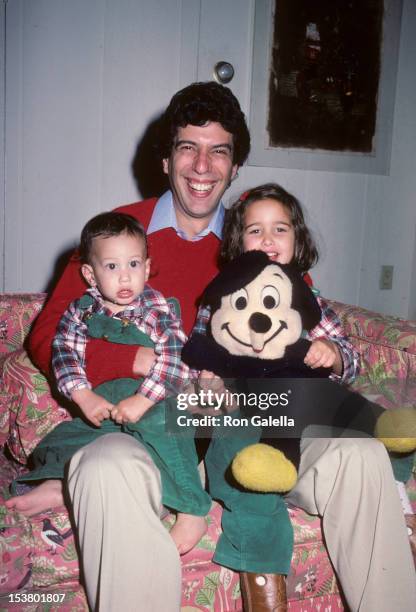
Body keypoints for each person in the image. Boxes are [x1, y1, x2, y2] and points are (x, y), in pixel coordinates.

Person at [5, 83, 415, 611]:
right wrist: (136, 359)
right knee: (104, 466)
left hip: (257, 423)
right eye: (187, 148)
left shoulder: (256, 240)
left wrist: (331, 362)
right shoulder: (118, 238)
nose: (202, 165)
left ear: (235, 166)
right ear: (165, 158)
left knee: (359, 454)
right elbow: (48, 335)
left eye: (218, 150)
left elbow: (309, 330)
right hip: (153, 419)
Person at [192, 182, 416, 610]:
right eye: (255, 231)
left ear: (297, 240)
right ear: (238, 243)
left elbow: (350, 359)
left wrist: (332, 355)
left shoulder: (308, 298)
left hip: (311, 422)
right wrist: (209, 383)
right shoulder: (218, 299)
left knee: (365, 453)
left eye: (280, 229)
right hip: (251, 427)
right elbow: (197, 361)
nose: (269, 239)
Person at [13, 211, 212, 555]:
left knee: (163, 432)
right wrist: (83, 394)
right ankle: (59, 480)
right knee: (65, 436)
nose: (125, 277)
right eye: (112, 267)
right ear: (90, 274)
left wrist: (144, 400)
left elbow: (177, 358)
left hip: (159, 399)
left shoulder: (155, 308)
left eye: (134, 264)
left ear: (147, 268)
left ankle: (193, 508)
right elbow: (63, 352)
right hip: (107, 400)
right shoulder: (81, 311)